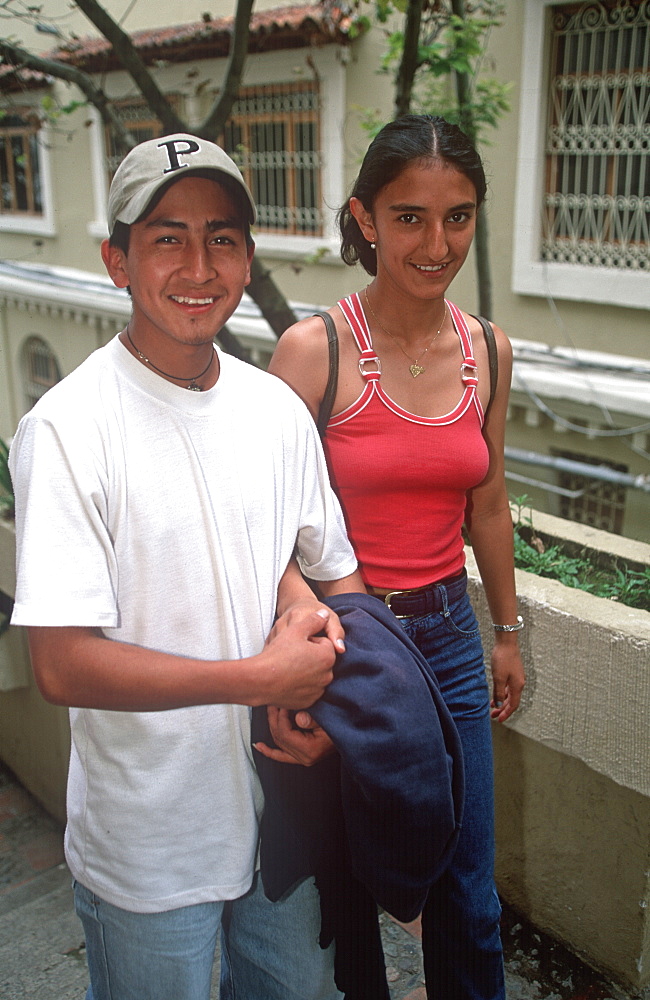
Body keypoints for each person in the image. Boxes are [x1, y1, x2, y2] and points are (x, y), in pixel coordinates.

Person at [9, 133, 365, 1000]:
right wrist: (261, 677)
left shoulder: (274, 409)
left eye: (223, 238)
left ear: (248, 258)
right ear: (117, 261)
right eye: (167, 237)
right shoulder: (68, 429)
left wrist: (323, 669)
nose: (198, 265)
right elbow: (59, 663)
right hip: (148, 843)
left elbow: (333, 575)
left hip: (283, 811)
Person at [269, 114, 526, 1000]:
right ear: (365, 218)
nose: (436, 241)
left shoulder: (490, 351)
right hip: (351, 646)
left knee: (467, 889)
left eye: (458, 217)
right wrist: (289, 665)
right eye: (409, 216)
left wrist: (508, 631)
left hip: (451, 637)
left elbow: (486, 502)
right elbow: (268, 530)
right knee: (343, 895)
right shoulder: (313, 351)